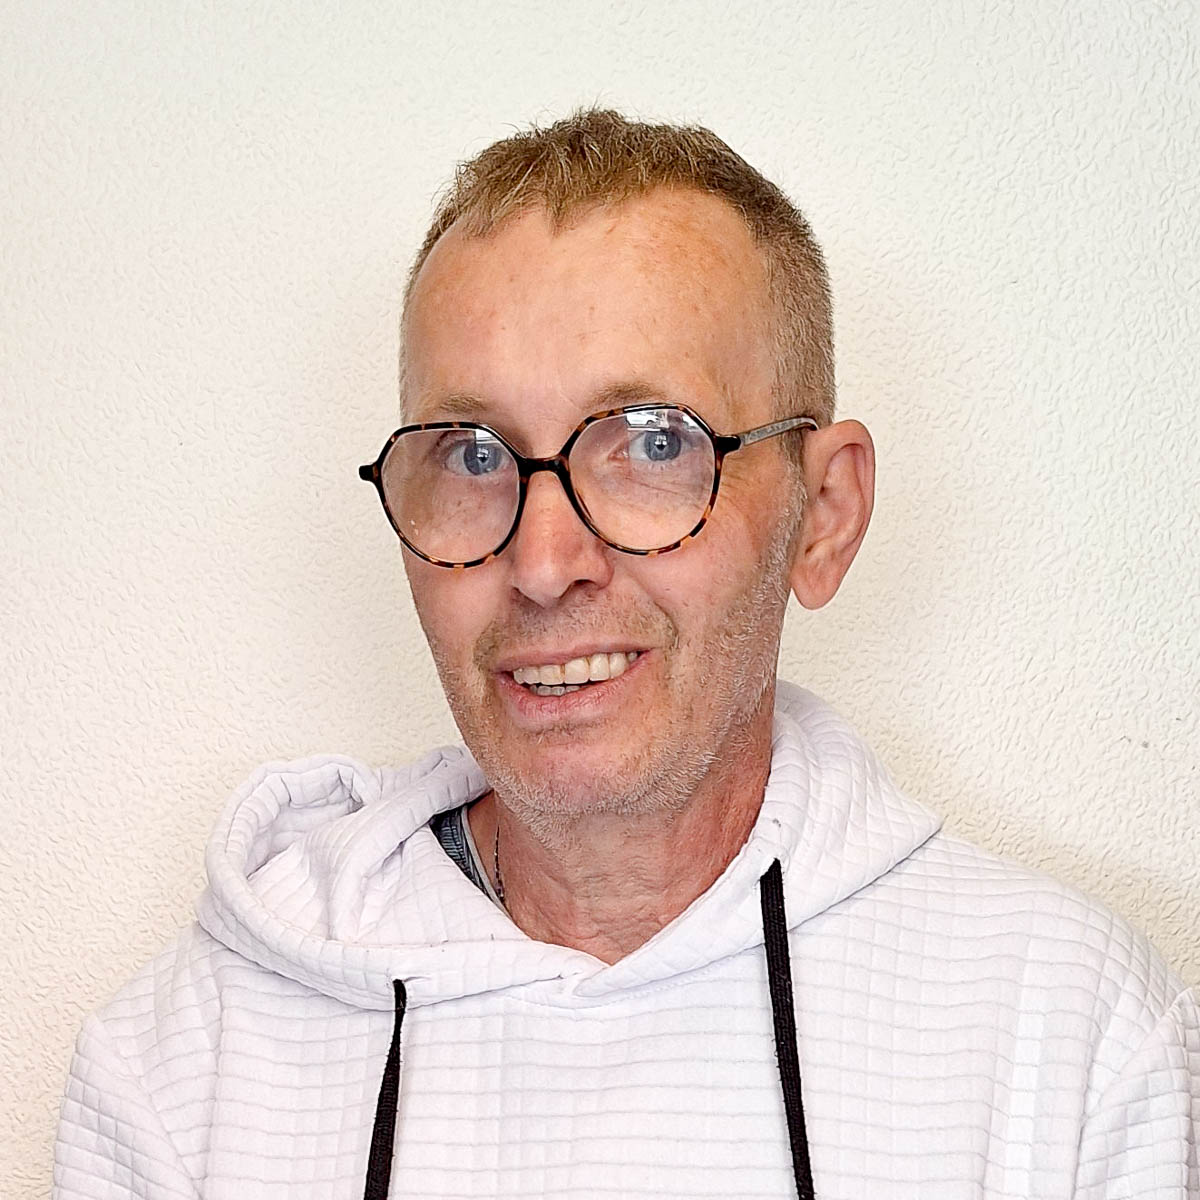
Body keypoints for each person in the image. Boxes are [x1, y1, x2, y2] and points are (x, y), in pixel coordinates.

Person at [53, 109, 1198, 1200]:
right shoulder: (187, 1063)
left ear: (824, 514)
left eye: (654, 444)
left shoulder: (1070, 1036)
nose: (545, 563)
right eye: (471, 455)